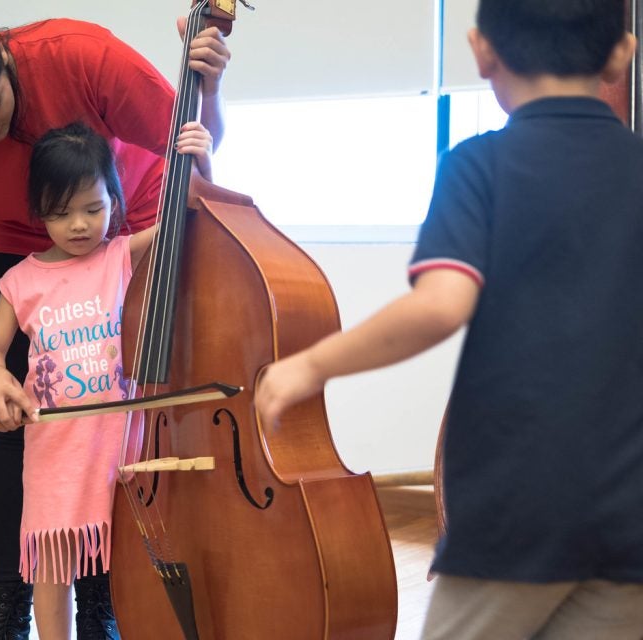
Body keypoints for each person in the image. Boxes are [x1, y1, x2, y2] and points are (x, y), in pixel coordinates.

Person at [254, 1, 643, 638]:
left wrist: (309, 365)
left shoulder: (480, 164)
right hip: (630, 514)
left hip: (517, 507)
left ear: (482, 50)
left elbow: (440, 304)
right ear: (620, 54)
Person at [0, 5, 229, 638]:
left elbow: (194, 137)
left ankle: (109, 602)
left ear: (4, 60)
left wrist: (212, 89)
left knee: (127, 414)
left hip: (128, 221)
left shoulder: (78, 55)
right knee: (16, 423)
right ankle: (6, 612)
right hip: (14, 243)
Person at [0, 120, 211, 640]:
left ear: (115, 200)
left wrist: (201, 159)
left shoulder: (122, 255)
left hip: (121, 442)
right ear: (39, 210)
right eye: (61, 213)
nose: (79, 225)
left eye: (93, 208)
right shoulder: (22, 279)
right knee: (53, 560)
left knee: (126, 558)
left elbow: (188, 220)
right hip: (56, 447)